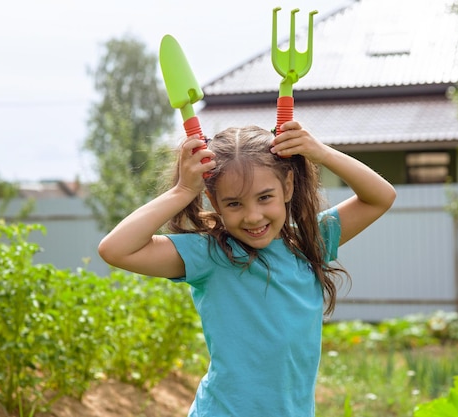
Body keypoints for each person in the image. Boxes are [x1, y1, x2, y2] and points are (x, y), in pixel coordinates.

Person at [98, 121, 396, 417]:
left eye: (265, 197)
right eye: (234, 204)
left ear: (288, 186)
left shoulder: (309, 242)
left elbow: (381, 197)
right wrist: (183, 190)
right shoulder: (211, 255)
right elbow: (115, 249)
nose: (253, 217)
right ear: (214, 201)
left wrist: (320, 153)